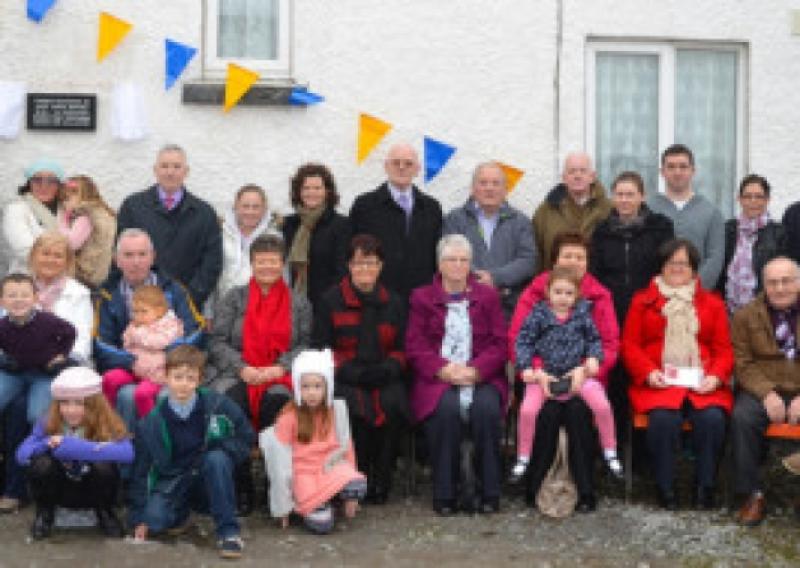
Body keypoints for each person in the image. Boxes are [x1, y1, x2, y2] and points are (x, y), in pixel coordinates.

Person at [509, 231, 619, 513]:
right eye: (567, 256)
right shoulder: (535, 295)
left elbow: (608, 343)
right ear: (555, 261)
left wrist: (585, 370)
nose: (573, 262)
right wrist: (537, 371)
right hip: (540, 376)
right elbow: (518, 339)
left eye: (580, 257)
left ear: (587, 262)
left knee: (577, 413)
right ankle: (533, 486)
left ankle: (585, 489)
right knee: (545, 414)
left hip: (584, 378)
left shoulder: (599, 297)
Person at [622, 239, 733, 510]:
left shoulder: (712, 304)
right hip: (659, 382)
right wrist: (648, 373)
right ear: (661, 267)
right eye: (671, 263)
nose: (677, 268)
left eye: (683, 263)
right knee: (663, 421)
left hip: (702, 382)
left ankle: (705, 487)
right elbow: (629, 345)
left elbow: (724, 349)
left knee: (712, 420)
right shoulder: (642, 301)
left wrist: (716, 377)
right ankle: (665, 487)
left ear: (694, 269)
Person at [206, 234, 311, 514]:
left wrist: (280, 367)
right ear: (252, 264)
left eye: (273, 262)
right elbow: (216, 341)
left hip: (278, 373)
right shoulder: (234, 297)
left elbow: (304, 344)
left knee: (276, 405)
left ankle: (271, 480)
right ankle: (242, 484)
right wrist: (242, 368)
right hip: (238, 370)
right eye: (261, 261)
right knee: (231, 404)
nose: (267, 267)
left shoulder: (298, 302)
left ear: (282, 264)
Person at [406, 234, 507, 515]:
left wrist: (477, 370)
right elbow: (415, 346)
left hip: (481, 374)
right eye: (451, 259)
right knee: (446, 410)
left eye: (464, 260)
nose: (458, 265)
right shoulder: (421, 297)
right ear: (440, 264)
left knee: (486, 409)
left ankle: (489, 491)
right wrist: (444, 369)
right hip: (438, 376)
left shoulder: (487, 296)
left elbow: (500, 344)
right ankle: (445, 493)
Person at [128, 345, 254, 560]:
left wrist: (222, 450)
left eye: (190, 378)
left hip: (208, 476)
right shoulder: (151, 422)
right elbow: (142, 471)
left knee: (217, 459)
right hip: (174, 480)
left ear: (200, 380)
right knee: (156, 521)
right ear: (166, 377)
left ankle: (228, 532)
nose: (183, 384)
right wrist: (140, 516)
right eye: (177, 377)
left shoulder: (219, 405)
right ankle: (181, 516)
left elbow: (245, 437)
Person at [312, 234, 408, 504]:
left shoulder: (394, 302)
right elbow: (321, 347)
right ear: (349, 266)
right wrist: (352, 372)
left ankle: (383, 479)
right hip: (347, 374)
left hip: (383, 373)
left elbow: (403, 348)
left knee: (393, 403)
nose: (365, 269)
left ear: (381, 266)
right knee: (351, 407)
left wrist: (389, 369)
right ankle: (355, 477)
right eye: (359, 263)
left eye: (372, 263)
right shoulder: (330, 300)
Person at [93, 228, 204, 430]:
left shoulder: (173, 289)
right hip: (128, 366)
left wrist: (167, 358)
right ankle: (115, 438)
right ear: (116, 260)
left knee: (149, 395)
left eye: (142, 254)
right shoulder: (107, 294)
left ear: (152, 257)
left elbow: (195, 331)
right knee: (122, 392)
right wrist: (132, 361)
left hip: (167, 370)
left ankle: (156, 444)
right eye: (128, 255)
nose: (136, 262)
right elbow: (100, 343)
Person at [16, 367, 133, 540]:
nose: (71, 410)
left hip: (93, 489)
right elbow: (22, 454)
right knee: (41, 464)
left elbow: (127, 453)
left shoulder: (107, 420)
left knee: (104, 465)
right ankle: (45, 512)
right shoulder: (48, 420)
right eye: (65, 403)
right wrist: (47, 444)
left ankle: (104, 512)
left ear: (94, 404)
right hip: (61, 490)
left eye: (79, 403)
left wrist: (72, 446)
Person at [260, 349, 367, 534]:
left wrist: (352, 494)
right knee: (322, 525)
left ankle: (334, 497)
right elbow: (279, 465)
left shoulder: (336, 410)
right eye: (306, 386)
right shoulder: (289, 417)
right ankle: (318, 502)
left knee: (357, 485)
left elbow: (346, 447)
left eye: (317, 386)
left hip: (329, 465)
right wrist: (282, 508)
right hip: (302, 472)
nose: (311, 393)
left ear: (327, 387)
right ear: (297, 387)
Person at [730, 256, 800, 526]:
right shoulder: (746, 316)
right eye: (772, 282)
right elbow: (743, 362)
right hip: (763, 387)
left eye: (786, 281)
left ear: (797, 283)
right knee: (742, 418)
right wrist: (767, 393)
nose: (779, 288)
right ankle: (751, 494)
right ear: (764, 285)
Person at [0, 273, 76, 513]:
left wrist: (61, 355)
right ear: (2, 301)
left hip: (43, 373)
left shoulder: (47, 321)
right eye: (12, 296)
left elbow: (70, 331)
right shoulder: (2, 325)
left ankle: (44, 466)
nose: (18, 300)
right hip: (13, 372)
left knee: (36, 415)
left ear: (35, 298)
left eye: (24, 295)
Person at [116, 144, 222, 308]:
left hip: (188, 305)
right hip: (139, 305)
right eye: (164, 166)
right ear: (155, 170)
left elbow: (211, 263)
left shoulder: (204, 213)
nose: (170, 172)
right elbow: (121, 254)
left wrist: (188, 299)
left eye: (176, 167)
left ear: (186, 171)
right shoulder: (133, 206)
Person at [349, 143, 443, 303]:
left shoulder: (432, 208)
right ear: (386, 166)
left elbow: (436, 255)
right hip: (375, 297)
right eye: (396, 162)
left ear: (417, 169)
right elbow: (351, 252)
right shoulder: (364, 205)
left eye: (408, 163)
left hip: (421, 299)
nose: (401, 167)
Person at [443, 162, 536, 319]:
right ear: (473, 188)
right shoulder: (455, 219)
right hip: (464, 308)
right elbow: (448, 256)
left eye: (496, 183)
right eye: (483, 183)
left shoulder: (521, 222)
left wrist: (495, 278)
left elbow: (528, 260)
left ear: (506, 189)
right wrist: (478, 281)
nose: (489, 188)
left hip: (508, 310)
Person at [590, 171, 675, 327]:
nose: (624, 200)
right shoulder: (601, 231)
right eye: (619, 195)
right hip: (611, 308)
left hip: (650, 305)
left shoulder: (660, 227)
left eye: (630, 195)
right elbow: (595, 271)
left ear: (642, 196)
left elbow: (668, 266)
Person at [648, 144, 725, 289]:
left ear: (693, 171)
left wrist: (695, 289)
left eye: (683, 167)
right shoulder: (649, 208)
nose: (677, 172)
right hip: (656, 297)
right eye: (671, 167)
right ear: (662, 172)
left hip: (697, 297)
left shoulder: (711, 212)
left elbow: (715, 257)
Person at [102, 285, 184, 418]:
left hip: (156, 375)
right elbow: (126, 342)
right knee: (109, 379)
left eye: (143, 311)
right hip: (134, 369)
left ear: (159, 310)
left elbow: (158, 342)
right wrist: (130, 337)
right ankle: (108, 417)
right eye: (135, 311)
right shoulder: (136, 325)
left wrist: (137, 334)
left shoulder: (170, 325)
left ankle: (150, 425)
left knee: (142, 394)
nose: (138, 316)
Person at [283, 163, 351, 313]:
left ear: (327, 191)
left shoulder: (341, 225)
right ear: (298, 192)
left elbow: (343, 270)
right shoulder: (289, 224)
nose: (311, 193)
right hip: (293, 306)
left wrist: (328, 303)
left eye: (317, 188)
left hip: (328, 306)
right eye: (306, 188)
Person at [716, 174, 787, 313]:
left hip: (763, 311)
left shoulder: (779, 233)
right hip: (729, 310)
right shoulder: (727, 229)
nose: (753, 201)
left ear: (767, 200)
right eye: (747, 196)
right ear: (739, 199)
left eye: (759, 196)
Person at [532, 152, 611, 274]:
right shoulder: (546, 210)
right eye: (572, 171)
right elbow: (536, 253)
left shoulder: (608, 209)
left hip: (597, 287)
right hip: (557, 288)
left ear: (592, 176)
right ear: (564, 178)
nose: (577, 175)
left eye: (583, 171)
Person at [28, 231, 93, 366]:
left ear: (67, 262)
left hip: (60, 364)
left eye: (58, 256)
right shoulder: (18, 288)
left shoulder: (79, 293)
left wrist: (69, 360)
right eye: (45, 253)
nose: (50, 260)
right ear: (33, 256)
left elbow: (82, 335)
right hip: (19, 364)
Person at [216, 183, 281, 312]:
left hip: (263, 309)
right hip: (225, 308)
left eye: (256, 207)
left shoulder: (275, 237)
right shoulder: (220, 236)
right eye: (245, 206)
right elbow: (211, 274)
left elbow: (282, 276)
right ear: (236, 207)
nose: (250, 212)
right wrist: (209, 312)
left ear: (264, 209)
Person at [3, 158, 66, 273]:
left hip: (64, 279)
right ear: (29, 183)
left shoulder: (66, 210)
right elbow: (25, 249)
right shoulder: (16, 209)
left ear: (59, 185)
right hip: (26, 281)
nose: (44, 185)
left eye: (51, 180)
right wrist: (66, 257)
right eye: (37, 180)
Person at [57, 175, 117, 289]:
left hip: (84, 272)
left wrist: (62, 220)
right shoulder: (103, 213)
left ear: (84, 196)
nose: (64, 203)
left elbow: (71, 243)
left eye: (68, 198)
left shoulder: (85, 216)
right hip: (98, 272)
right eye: (63, 198)